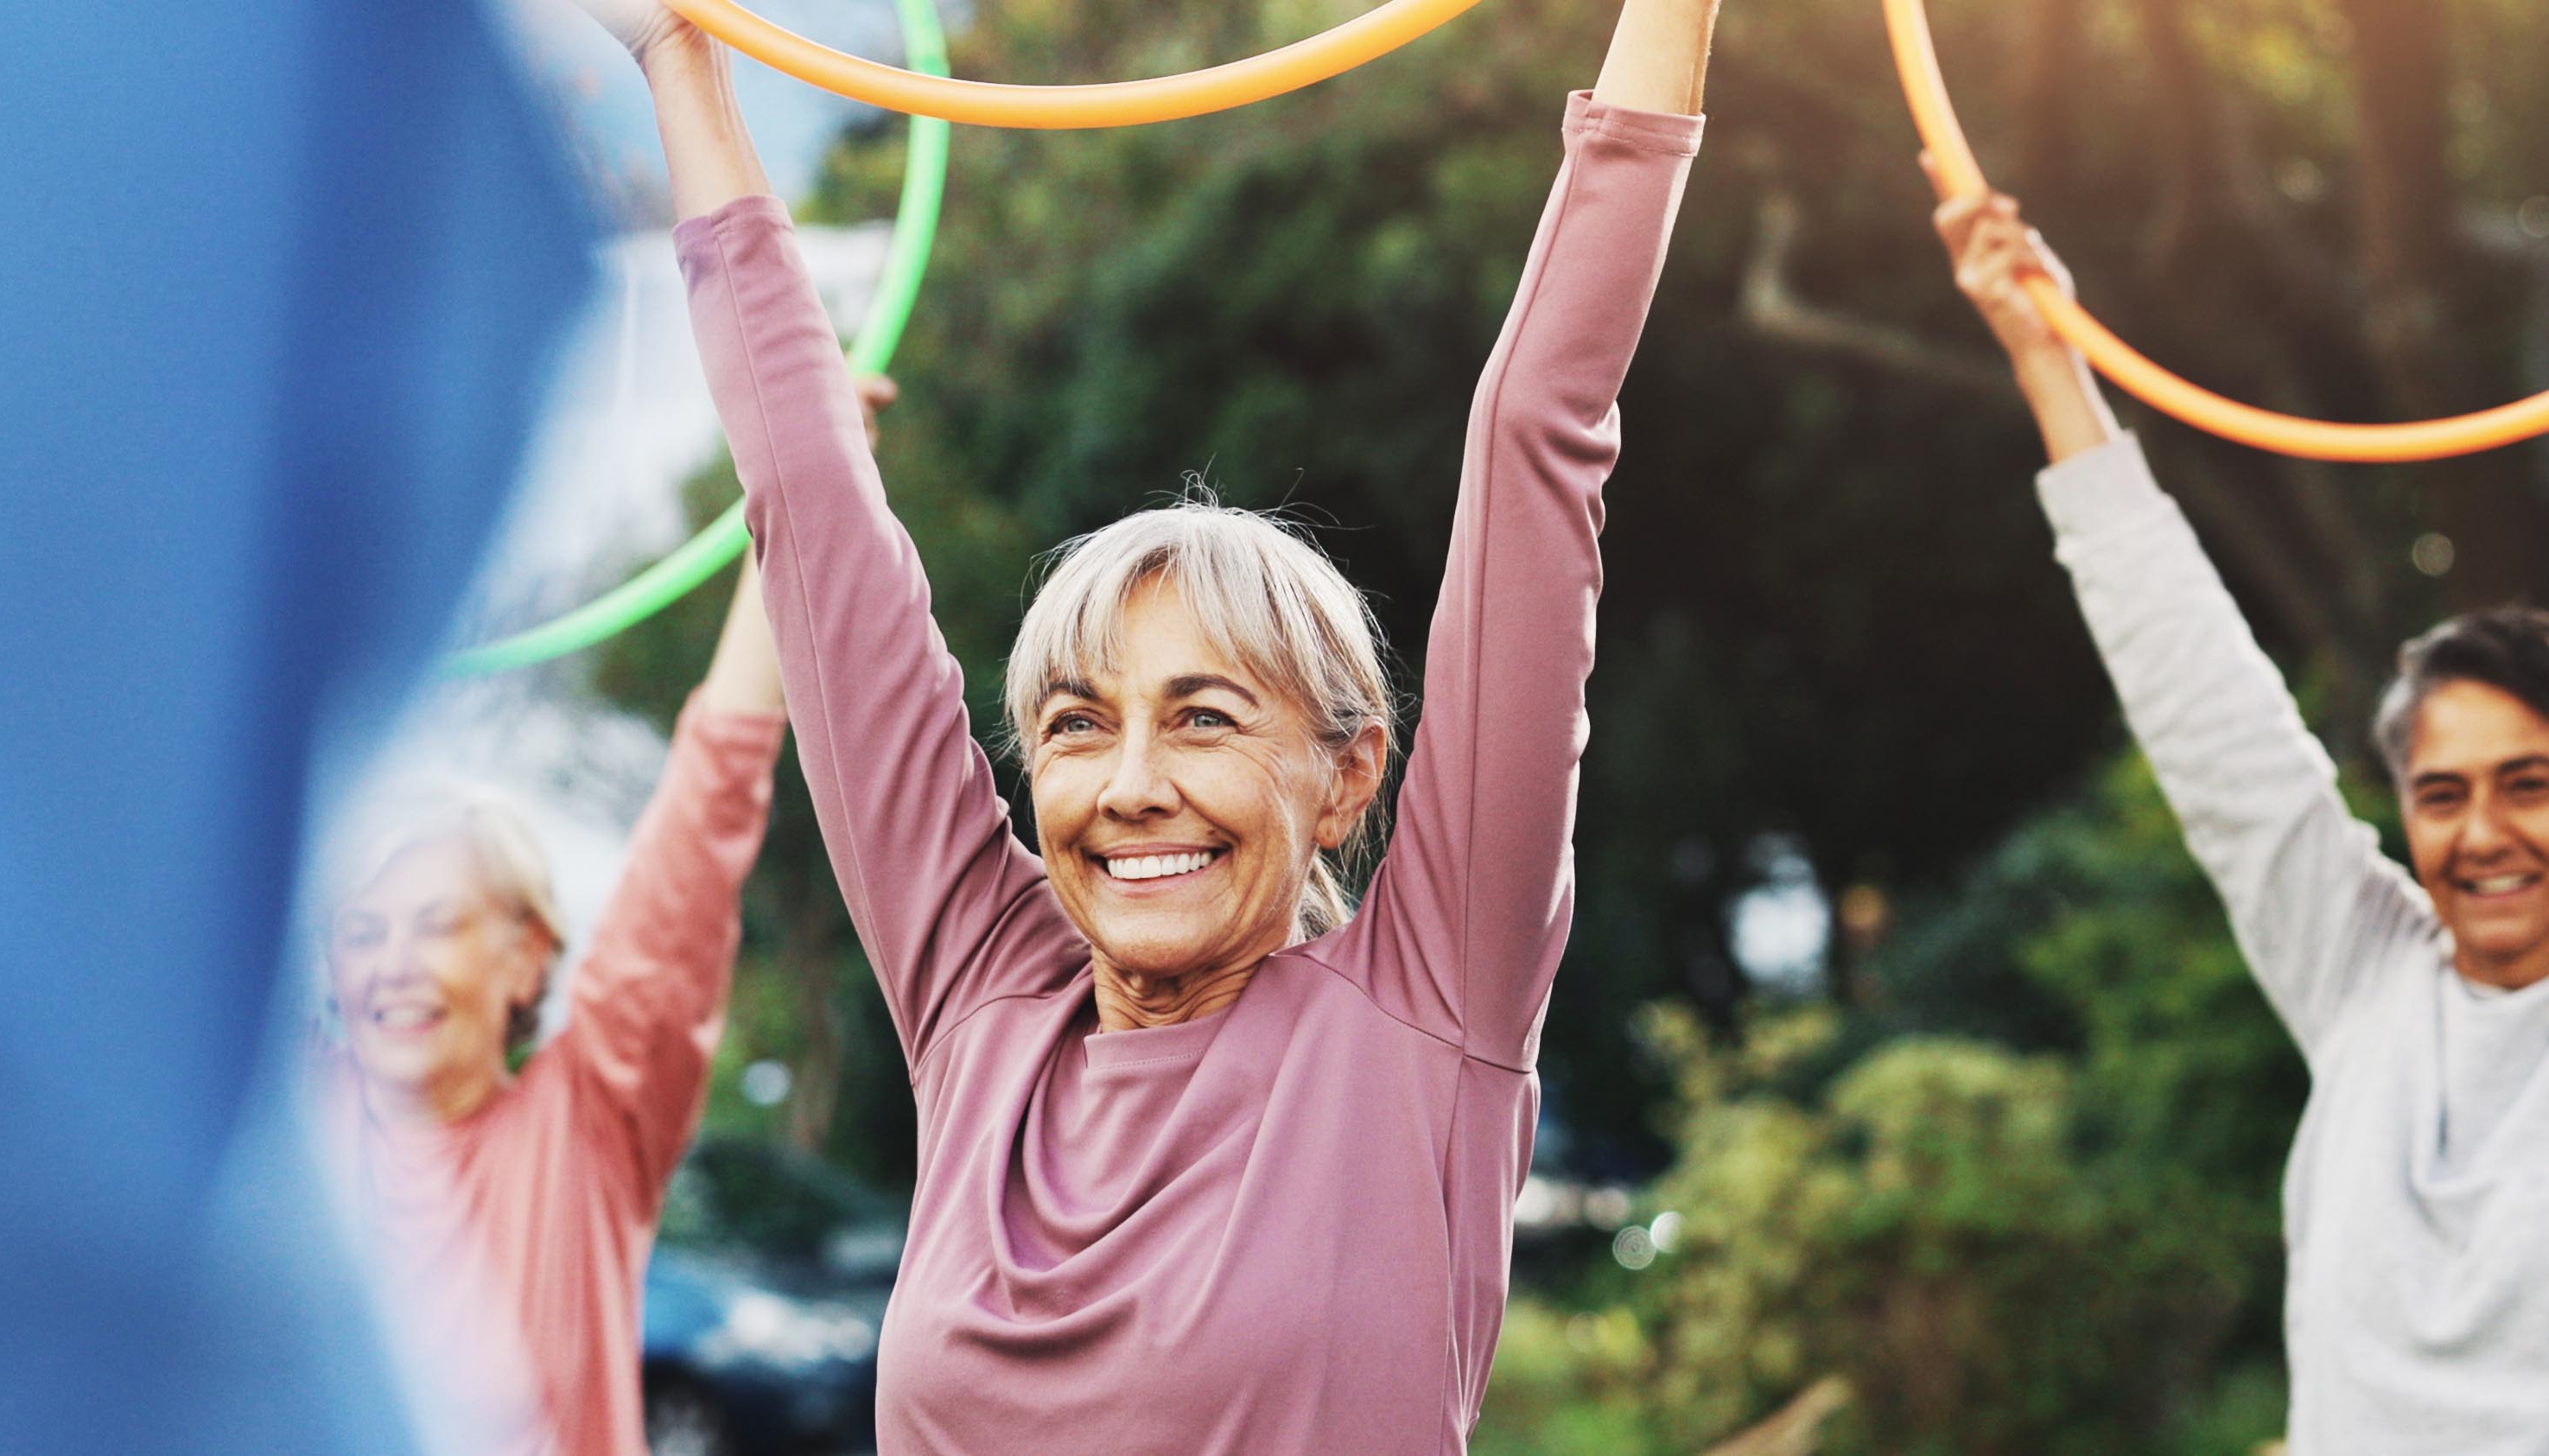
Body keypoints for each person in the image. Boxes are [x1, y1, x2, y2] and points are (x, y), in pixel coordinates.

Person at [580, 0, 1720, 1446]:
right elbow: (808, 507)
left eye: (1202, 719)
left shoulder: (1425, 1015)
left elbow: (1540, 429)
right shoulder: (985, 1003)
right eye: (1075, 725)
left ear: (1348, 774)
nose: (1129, 785)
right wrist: (678, 53)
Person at [1929, 164, 2549, 1453]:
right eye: (2440, 795)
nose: (2480, 833)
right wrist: (2047, 357)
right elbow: (2203, 705)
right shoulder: (2364, 970)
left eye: (2526, 784)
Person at [313, 525, 844, 1453]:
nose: (392, 958)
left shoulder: (592, 1114)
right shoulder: (284, 1130)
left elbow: (707, 798)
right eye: (362, 930)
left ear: (526, 955)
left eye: (437, 923)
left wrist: (791, 484)